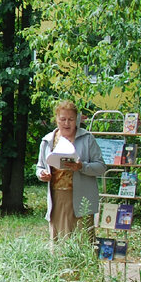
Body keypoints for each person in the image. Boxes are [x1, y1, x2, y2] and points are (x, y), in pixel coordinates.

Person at [35, 100, 106, 239]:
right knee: (60, 242)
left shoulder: (87, 139)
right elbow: (40, 167)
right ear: (56, 119)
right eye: (63, 119)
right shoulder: (47, 141)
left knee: (83, 242)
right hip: (58, 198)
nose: (67, 123)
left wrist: (82, 166)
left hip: (82, 198)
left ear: (77, 120)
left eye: (71, 119)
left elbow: (101, 167)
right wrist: (42, 174)